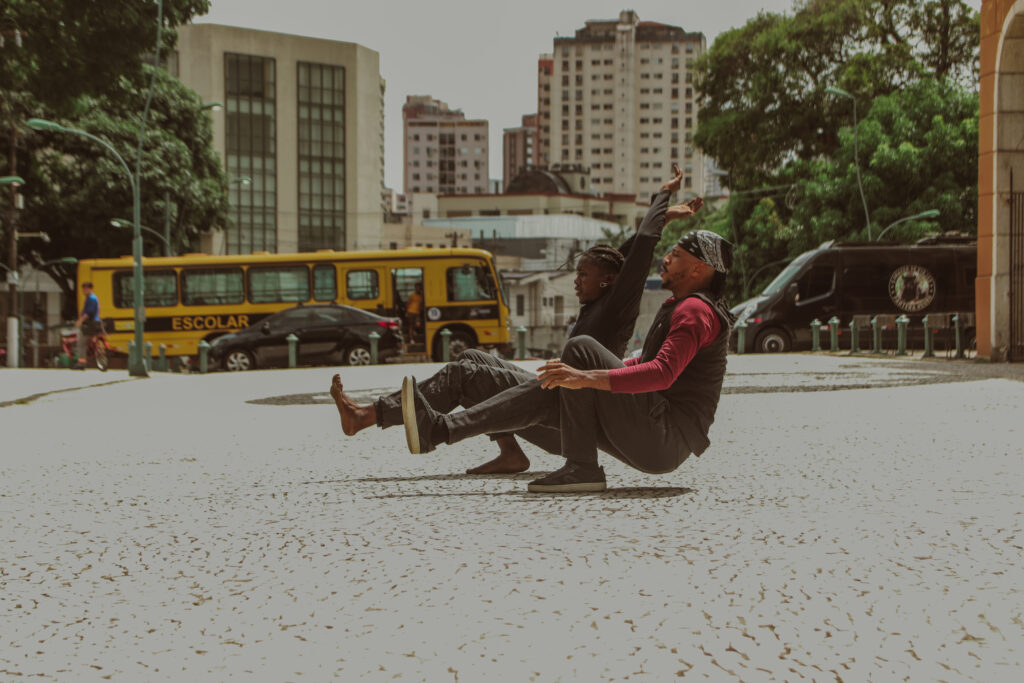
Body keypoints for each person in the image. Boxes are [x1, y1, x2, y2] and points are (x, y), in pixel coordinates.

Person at [328, 166, 702, 473]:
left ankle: (367, 416)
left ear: (607, 281)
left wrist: (661, 199)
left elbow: (636, 255)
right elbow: (620, 257)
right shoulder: (600, 295)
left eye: (583, 276)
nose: (575, 281)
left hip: (569, 420)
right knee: (472, 358)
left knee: (463, 375)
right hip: (556, 401)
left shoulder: (618, 304)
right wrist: (661, 217)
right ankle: (510, 454)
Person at [398, 227, 734, 493]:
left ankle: (581, 466)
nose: (666, 259)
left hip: (664, 436)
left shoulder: (695, 311)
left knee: (581, 349)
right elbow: (646, 363)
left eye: (676, 255)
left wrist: (586, 377)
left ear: (698, 268)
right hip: (655, 435)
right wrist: (580, 376)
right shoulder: (685, 306)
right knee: (559, 381)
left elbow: (662, 373)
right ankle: (441, 430)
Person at [74, 281, 103, 369]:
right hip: (95, 323)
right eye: (83, 289)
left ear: (90, 289)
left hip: (90, 324)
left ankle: (82, 362)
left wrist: (80, 321)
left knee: (81, 342)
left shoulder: (91, 298)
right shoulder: (93, 298)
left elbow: (88, 313)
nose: (83, 291)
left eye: (85, 289)